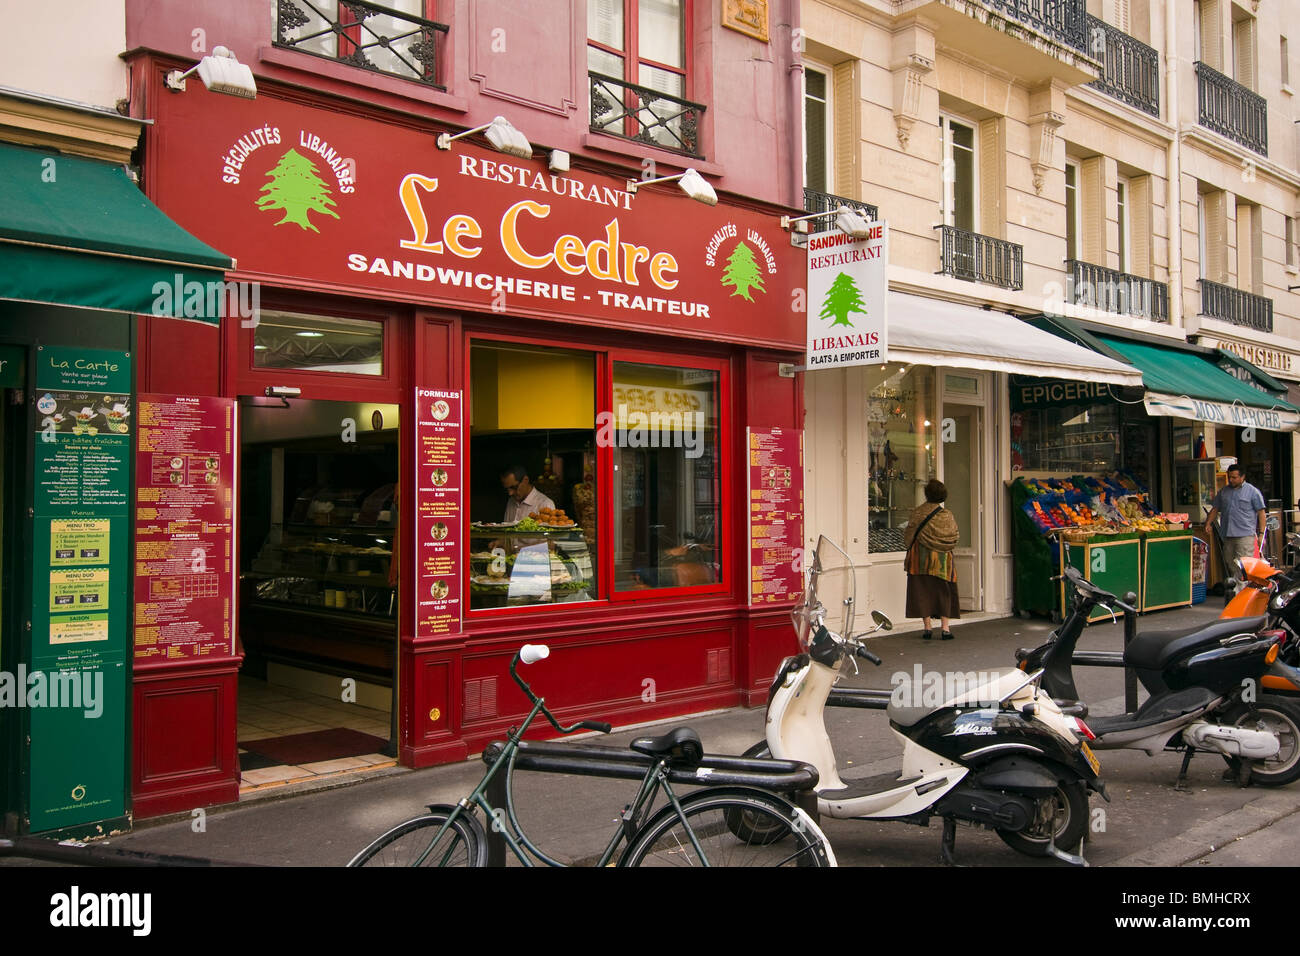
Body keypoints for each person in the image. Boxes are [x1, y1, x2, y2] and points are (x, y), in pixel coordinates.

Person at [903, 479, 961, 640]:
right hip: (941, 561)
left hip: (919, 559)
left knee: (922, 590)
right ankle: (945, 628)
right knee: (943, 591)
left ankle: (927, 627)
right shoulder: (946, 515)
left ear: (927, 494)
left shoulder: (917, 512)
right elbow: (954, 536)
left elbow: (908, 536)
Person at [1205, 464, 1266, 593]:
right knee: (1230, 563)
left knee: (1243, 565)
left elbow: (1261, 513)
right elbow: (1215, 508)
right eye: (1229, 477)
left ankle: (1239, 593)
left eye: (1234, 477)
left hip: (1245, 534)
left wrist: (1261, 534)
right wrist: (1208, 523)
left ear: (1242, 477)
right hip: (1227, 534)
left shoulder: (1252, 492)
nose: (1231, 480)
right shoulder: (1224, 492)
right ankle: (1238, 590)